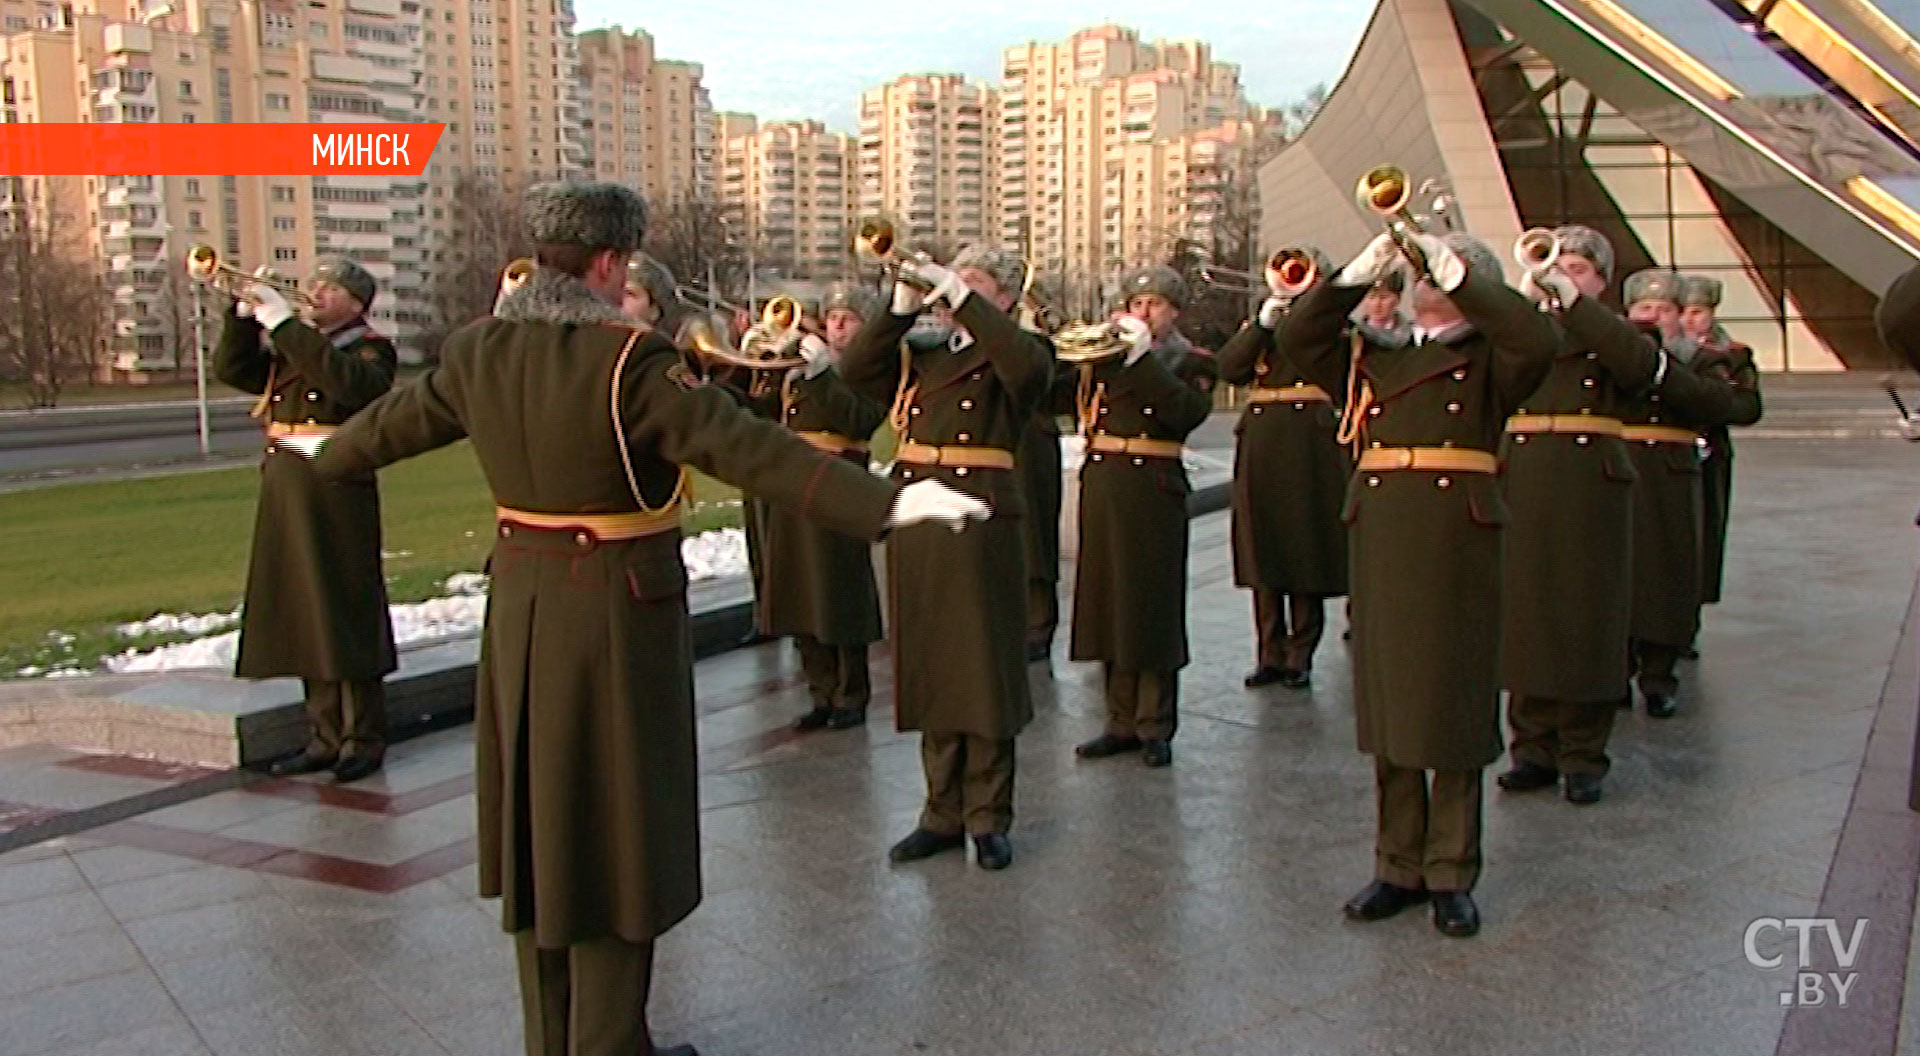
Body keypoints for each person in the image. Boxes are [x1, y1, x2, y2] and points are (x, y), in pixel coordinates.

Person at [307, 182, 985, 1056]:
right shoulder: (630, 363)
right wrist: (888, 506)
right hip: (616, 620)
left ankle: (553, 1039)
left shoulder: (477, 351)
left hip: (520, 615)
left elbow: (371, 437)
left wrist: (322, 452)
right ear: (605, 262)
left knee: (544, 838)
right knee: (621, 838)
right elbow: (756, 453)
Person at [1283, 229, 1557, 938]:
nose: (1422, 286)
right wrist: (1352, 276)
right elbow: (1298, 337)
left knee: (1454, 703)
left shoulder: (1494, 356)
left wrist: (1462, 274)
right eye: (1416, 277)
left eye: (1431, 276)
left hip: (1455, 538)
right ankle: (1397, 862)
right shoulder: (1372, 354)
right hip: (1382, 534)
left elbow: (1536, 338)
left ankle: (1452, 870)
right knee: (1393, 705)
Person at [841, 244, 1052, 872]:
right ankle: (940, 811)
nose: (956, 290)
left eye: (977, 282)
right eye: (957, 279)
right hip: (920, 514)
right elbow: (852, 375)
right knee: (932, 662)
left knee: (982, 667)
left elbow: (1028, 373)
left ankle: (988, 815)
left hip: (981, 513)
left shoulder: (1021, 348)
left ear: (1007, 298)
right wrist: (897, 311)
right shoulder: (923, 353)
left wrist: (963, 300)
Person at [213, 256, 398, 784]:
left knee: (343, 605)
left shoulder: (368, 348)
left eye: (327, 286)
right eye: (312, 283)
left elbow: (350, 388)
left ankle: (362, 735)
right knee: (302, 607)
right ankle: (322, 735)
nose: (313, 291)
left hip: (335, 484)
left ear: (356, 302)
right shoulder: (298, 345)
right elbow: (236, 371)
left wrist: (286, 325)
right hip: (287, 481)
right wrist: (240, 318)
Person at [1497, 227, 1660, 805]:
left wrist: (1575, 305)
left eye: (1578, 268)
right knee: (1527, 610)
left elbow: (1638, 366)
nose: (1562, 274)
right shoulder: (1529, 327)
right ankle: (1532, 746)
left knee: (1587, 613)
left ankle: (1583, 752)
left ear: (1601, 278)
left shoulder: (1616, 331)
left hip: (1591, 482)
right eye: (1556, 265)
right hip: (1523, 476)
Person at [1070, 267, 1218, 768]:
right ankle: (1118, 719)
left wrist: (1140, 360)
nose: (1142, 313)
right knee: (1108, 602)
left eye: (1154, 304)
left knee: (1150, 603)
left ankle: (1155, 722)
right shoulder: (1105, 359)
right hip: (1106, 482)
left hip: (1154, 485)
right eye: (1136, 303)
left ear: (1173, 311)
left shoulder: (1189, 360)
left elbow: (1184, 412)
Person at [1219, 256, 1356, 690]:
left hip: (1308, 442)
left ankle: (1301, 652)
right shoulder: (1265, 325)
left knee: (1304, 544)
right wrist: (1261, 325)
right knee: (1264, 545)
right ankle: (1269, 651)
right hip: (1263, 438)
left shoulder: (1334, 329)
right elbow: (1230, 368)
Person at [763, 283, 888, 731]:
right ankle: (820, 691)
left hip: (840, 480)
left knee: (841, 589)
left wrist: (820, 373)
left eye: (849, 318)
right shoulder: (799, 366)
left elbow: (858, 419)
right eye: (832, 316)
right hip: (795, 480)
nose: (836, 325)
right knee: (800, 589)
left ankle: (851, 693)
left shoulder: (870, 368)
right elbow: (759, 411)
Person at [1619, 270, 1743, 718]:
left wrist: (1668, 359)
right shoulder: (1614, 358)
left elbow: (1723, 403)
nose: (1655, 318)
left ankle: (1659, 674)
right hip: (1623, 470)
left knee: (1667, 573)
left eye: (1665, 310)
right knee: (1620, 572)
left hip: (1672, 473)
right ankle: (1617, 670)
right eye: (1644, 310)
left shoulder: (1700, 360)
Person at [1677, 276, 1763, 621]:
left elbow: (1748, 408)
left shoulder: (1733, 355)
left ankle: (1689, 618)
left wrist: (1709, 401)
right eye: (1681, 311)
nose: (1688, 320)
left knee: (1704, 537)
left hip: (1709, 454)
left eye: (1697, 311)